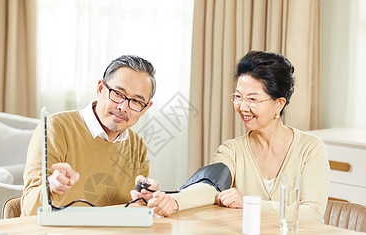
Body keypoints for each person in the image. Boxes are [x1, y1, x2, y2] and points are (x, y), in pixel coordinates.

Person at [132, 50, 330, 223]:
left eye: (252, 99)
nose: (242, 107)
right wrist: (174, 201)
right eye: (238, 97)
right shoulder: (231, 150)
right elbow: (210, 187)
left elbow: (312, 212)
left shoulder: (310, 148)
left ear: (279, 104)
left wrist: (250, 203)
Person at [21, 55, 155, 216]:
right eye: (118, 93)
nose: (123, 107)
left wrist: (146, 201)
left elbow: (132, 213)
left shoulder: (137, 145)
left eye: (136, 102)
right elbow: (29, 209)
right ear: (100, 89)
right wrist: (51, 188)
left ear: (146, 108)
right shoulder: (55, 128)